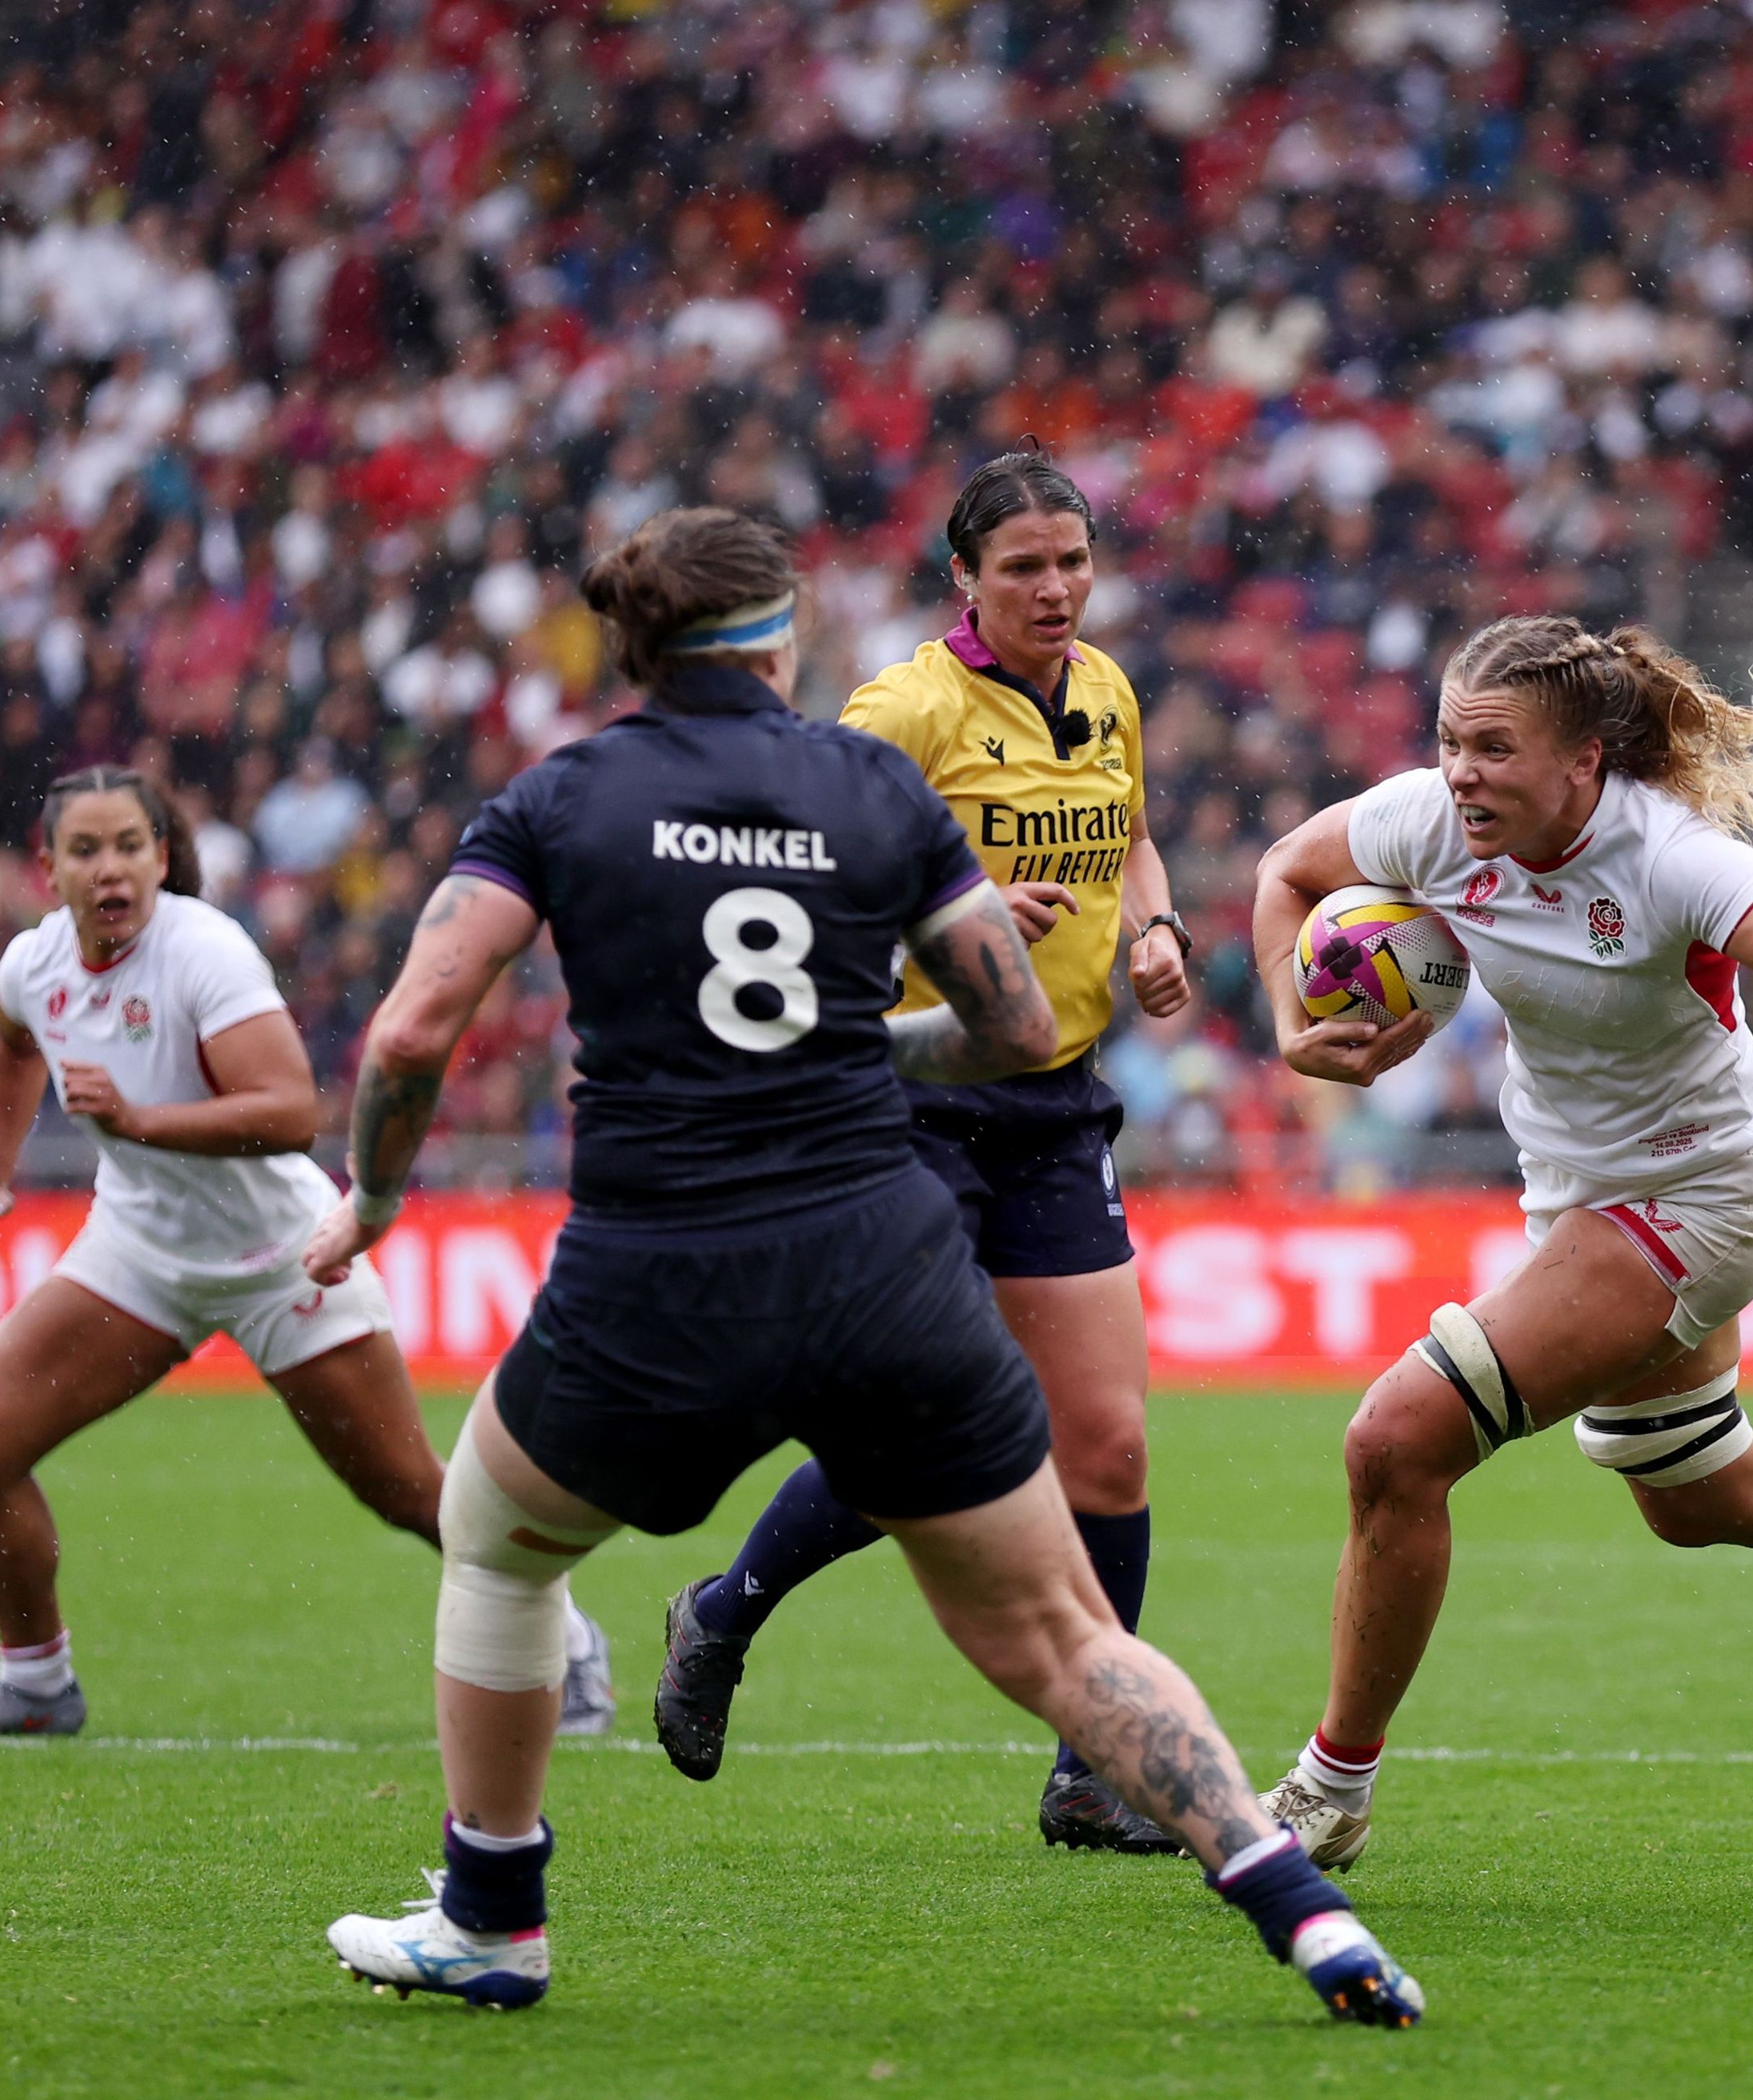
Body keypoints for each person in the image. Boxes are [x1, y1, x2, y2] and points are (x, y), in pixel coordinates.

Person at [310, 508, 1420, 2026]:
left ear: (629, 645)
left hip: (660, 1267)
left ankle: (495, 1913)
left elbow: (413, 1031)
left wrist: (372, 1196)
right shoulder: (875, 777)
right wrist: (842, 1044)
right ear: (783, 637)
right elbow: (1017, 1026)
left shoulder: (561, 795)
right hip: (877, 1253)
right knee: (1066, 1633)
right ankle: (1311, 1918)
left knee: (496, 1543)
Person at [1244, 614, 1753, 1869]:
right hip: (1577, 1196)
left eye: (1492, 747)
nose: (1460, 771)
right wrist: (1289, 1015)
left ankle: (1331, 1789)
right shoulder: (1429, 820)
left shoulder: (1672, 859)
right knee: (1703, 1499)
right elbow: (1285, 872)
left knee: (1395, 1439)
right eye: (1447, 742)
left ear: (1585, 761)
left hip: (1694, 1199)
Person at [652, 448, 1195, 1855]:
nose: (1057, 588)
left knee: (1113, 1442)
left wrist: (1155, 925)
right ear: (963, 576)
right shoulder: (900, 710)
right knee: (919, 1423)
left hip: (1058, 1100)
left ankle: (1094, 1766)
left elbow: (1132, 837)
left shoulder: (1108, 687)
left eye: (1072, 561)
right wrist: (939, 930)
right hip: (911, 1099)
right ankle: (723, 1612)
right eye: (1024, 566)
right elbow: (788, 897)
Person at [0, 766, 608, 1745]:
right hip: (139, 1252)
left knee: (409, 1491)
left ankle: (567, 1640)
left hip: (284, 1254)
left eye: (131, 847)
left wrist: (141, 1118)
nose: (113, 870)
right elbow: (12, 1043)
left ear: (160, 856)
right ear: (48, 868)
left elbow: (290, 1113)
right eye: (88, 850)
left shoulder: (204, 952)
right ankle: (34, 1686)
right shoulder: (34, 963)